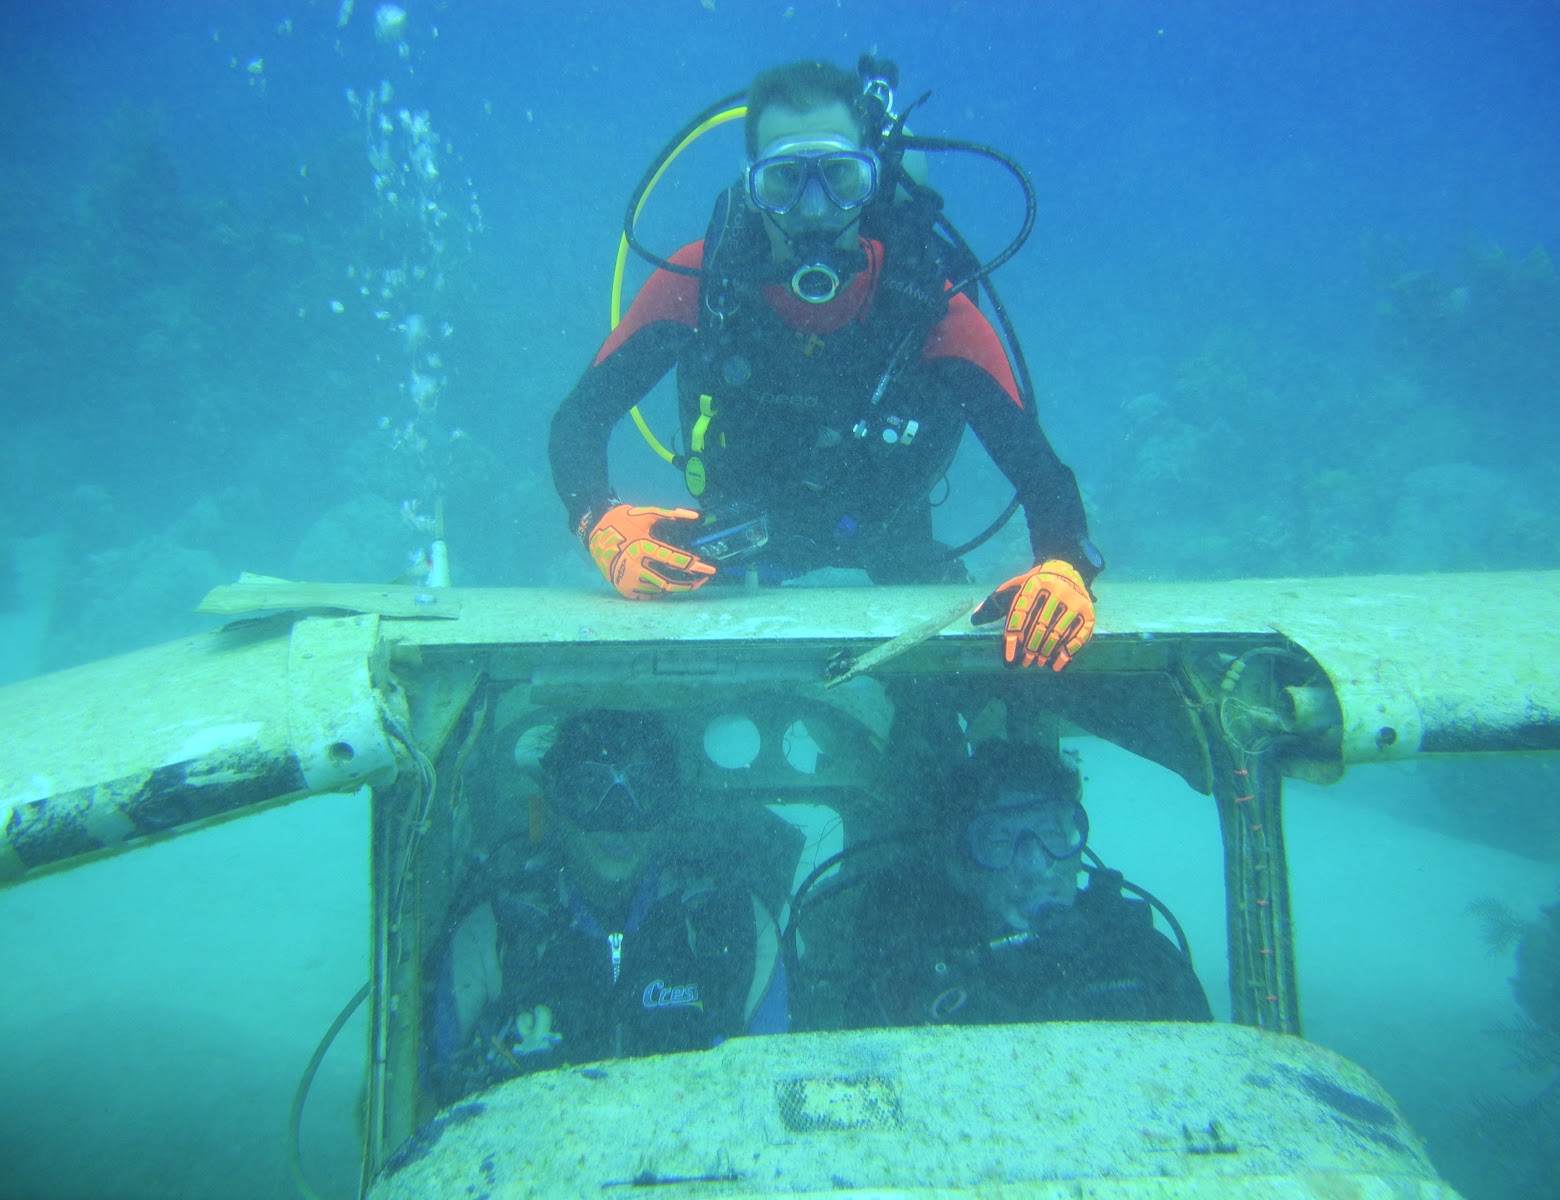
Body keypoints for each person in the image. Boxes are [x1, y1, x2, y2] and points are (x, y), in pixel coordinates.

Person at [549, 58, 1101, 672]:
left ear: (873, 181)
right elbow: (578, 423)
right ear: (751, 185)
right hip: (739, 538)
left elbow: (1044, 479)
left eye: (840, 176)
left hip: (890, 530)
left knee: (947, 701)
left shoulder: (925, 303)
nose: (813, 209)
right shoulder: (701, 281)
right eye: (784, 180)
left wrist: (1064, 567)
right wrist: (599, 520)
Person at [426, 709, 794, 1101]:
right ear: (554, 806)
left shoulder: (737, 925)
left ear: (668, 809)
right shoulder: (496, 933)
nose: (619, 816)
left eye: (643, 789)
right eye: (589, 789)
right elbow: (431, 1100)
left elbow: (777, 1089)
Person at [836, 740, 1211, 1028]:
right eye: (1001, 841)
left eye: (1051, 833)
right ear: (960, 867)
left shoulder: (1142, 960)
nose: (1037, 865)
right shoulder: (913, 972)